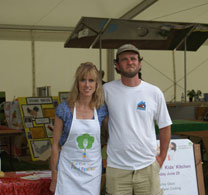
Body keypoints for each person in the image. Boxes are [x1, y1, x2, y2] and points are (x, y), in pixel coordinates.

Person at [103, 44, 172, 195]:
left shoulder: (154, 92)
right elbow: (92, 118)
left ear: (140, 64)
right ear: (117, 65)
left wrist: (161, 158)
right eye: (124, 59)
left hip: (147, 166)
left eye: (133, 59)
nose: (130, 62)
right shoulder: (106, 90)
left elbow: (165, 126)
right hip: (117, 167)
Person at [49, 62, 108, 195]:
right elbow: (55, 145)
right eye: (83, 80)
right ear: (77, 83)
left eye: (91, 80)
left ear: (97, 84)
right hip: (68, 172)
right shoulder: (64, 109)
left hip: (92, 173)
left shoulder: (101, 109)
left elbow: (115, 133)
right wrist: (54, 175)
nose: (87, 85)